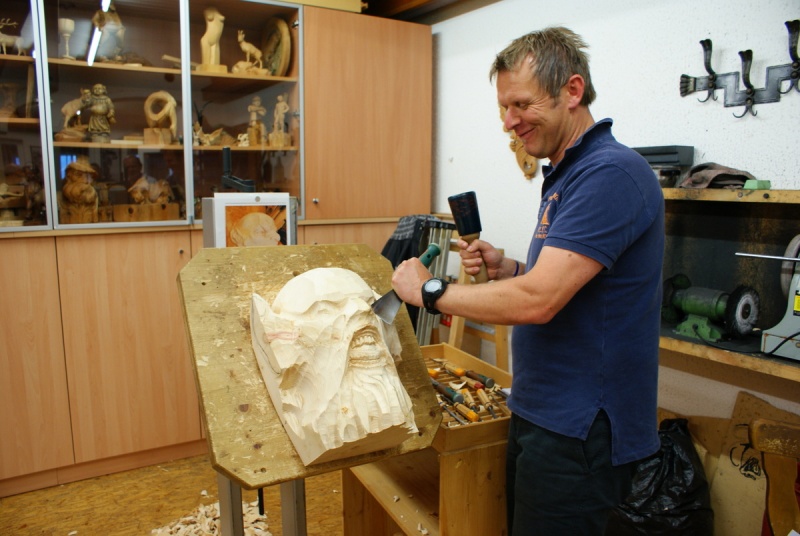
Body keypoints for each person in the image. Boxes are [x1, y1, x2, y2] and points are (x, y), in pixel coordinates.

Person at [391, 27, 664, 535]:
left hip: (579, 427)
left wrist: (430, 291)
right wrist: (509, 269)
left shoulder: (610, 174)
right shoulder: (565, 174)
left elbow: (540, 300)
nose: (509, 122)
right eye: (504, 108)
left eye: (521, 104)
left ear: (572, 91)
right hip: (540, 410)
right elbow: (564, 283)